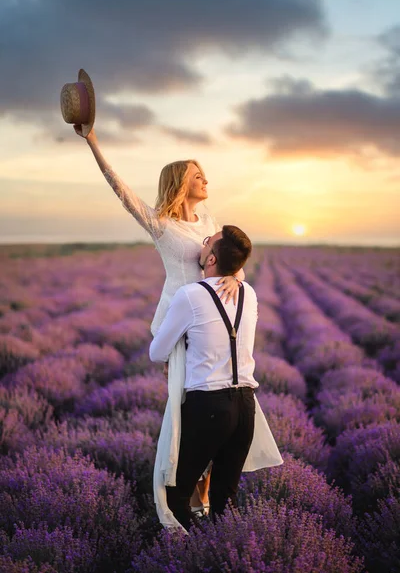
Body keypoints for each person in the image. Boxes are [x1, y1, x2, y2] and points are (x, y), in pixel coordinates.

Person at [73, 126, 283, 530]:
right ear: (181, 183)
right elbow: (120, 189)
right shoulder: (161, 225)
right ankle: (186, 499)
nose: (206, 181)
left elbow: (228, 255)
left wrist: (237, 277)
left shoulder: (208, 219)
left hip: (214, 321)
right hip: (181, 327)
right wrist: (92, 141)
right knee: (186, 412)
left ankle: (203, 496)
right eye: (198, 175)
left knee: (218, 398)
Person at [149, 226, 283, 531]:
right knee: (226, 498)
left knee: (175, 494)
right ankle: (222, 552)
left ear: (210, 259)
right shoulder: (248, 292)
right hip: (245, 405)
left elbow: (157, 352)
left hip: (207, 405)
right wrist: (235, 274)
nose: (203, 240)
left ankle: (189, 554)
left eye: (208, 241)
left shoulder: (190, 295)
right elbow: (236, 270)